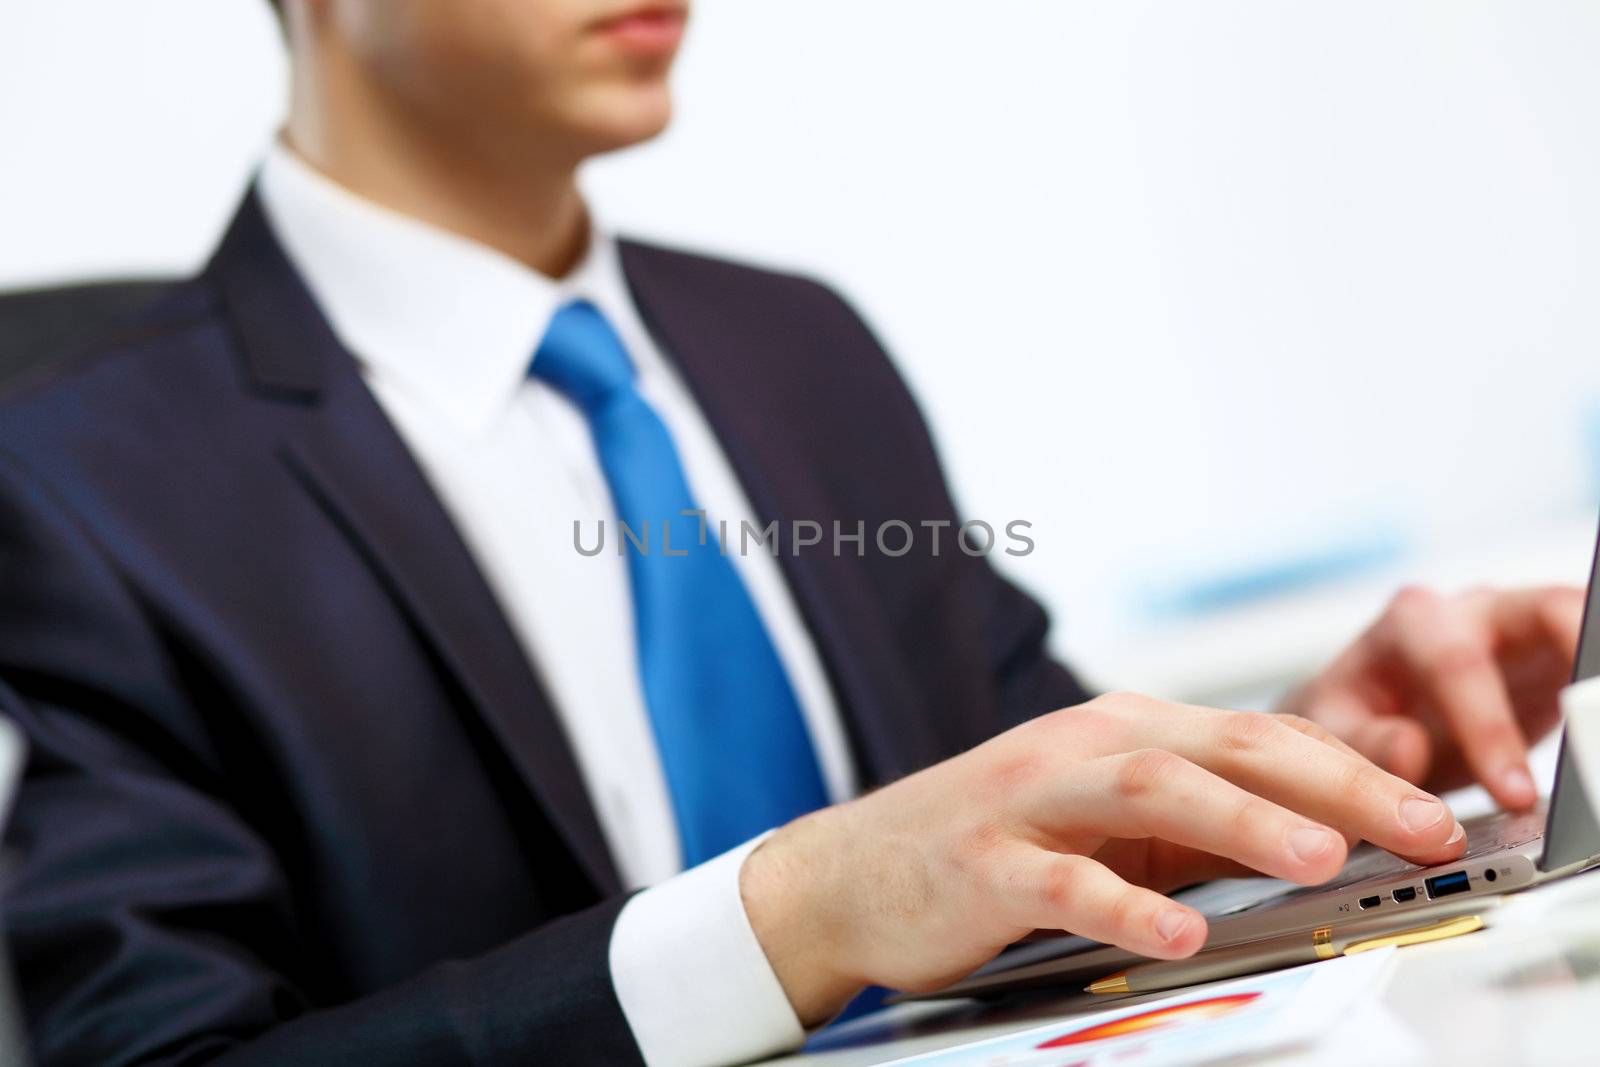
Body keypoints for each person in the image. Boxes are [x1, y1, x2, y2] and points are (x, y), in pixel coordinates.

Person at [0, 1, 1581, 1064]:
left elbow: (1016, 801)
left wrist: (1306, 766)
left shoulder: (792, 345)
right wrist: (789, 918)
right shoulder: (68, 483)